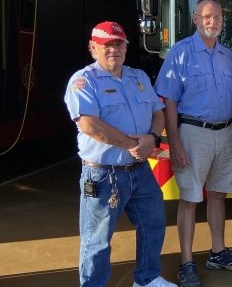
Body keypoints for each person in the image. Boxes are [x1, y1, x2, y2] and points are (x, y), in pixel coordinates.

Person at [64, 21, 175, 287]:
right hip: (103, 175)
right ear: (93, 47)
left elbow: (157, 112)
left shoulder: (138, 76)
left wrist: (153, 138)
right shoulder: (83, 80)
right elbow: (90, 125)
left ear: (126, 46)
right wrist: (134, 144)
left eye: (119, 44)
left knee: (154, 224)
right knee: (97, 240)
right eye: (107, 45)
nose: (114, 49)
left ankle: (147, 280)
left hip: (139, 170)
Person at [154, 0, 232, 287]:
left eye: (218, 17)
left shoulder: (227, 55)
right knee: (190, 199)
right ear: (195, 18)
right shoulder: (180, 53)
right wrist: (175, 144)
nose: (213, 22)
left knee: (219, 195)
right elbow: (168, 102)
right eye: (207, 16)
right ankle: (186, 262)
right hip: (192, 134)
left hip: (225, 133)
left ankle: (218, 252)